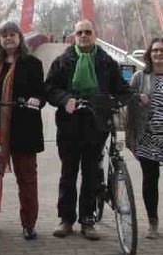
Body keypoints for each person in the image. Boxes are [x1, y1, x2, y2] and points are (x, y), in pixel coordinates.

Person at [45, 19, 131, 240]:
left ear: (95, 35)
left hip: (96, 125)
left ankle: (88, 220)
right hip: (69, 125)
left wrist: (111, 101)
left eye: (88, 32)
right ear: (74, 36)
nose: (84, 35)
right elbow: (50, 88)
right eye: (80, 32)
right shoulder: (63, 61)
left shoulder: (106, 61)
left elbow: (122, 89)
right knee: (68, 173)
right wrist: (65, 99)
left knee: (91, 174)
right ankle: (66, 219)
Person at [0, 21, 45, 240]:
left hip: (24, 127)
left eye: (12, 34)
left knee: (27, 178)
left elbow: (41, 95)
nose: (8, 39)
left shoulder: (32, 63)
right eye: (4, 35)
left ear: (20, 37)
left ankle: (29, 224)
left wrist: (35, 100)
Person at [126, 37, 163, 239]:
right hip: (148, 137)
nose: (158, 54)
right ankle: (153, 223)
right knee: (151, 181)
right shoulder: (140, 77)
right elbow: (129, 108)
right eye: (155, 50)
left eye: (161, 51)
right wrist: (130, 138)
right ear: (149, 53)